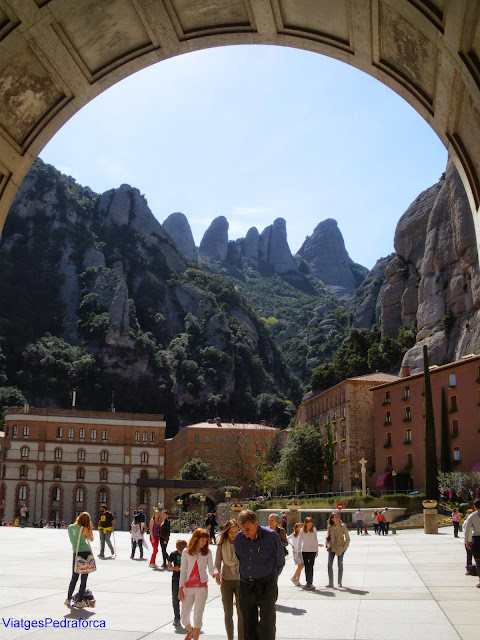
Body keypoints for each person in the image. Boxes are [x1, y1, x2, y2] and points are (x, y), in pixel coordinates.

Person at [234, 509, 285, 640]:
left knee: (267, 624)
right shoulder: (239, 538)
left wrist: (272, 578)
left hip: (267, 584)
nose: (245, 533)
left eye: (247, 529)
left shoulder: (271, 536)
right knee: (248, 624)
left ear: (255, 523)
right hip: (246, 585)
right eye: (242, 530)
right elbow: (240, 558)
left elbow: (280, 560)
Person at [178, 528, 215, 640]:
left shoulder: (207, 553)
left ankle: (196, 638)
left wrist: (216, 575)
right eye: (202, 540)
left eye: (206, 541)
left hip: (201, 588)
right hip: (188, 588)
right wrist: (180, 589)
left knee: (197, 616)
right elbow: (183, 571)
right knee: (184, 617)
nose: (204, 543)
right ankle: (190, 631)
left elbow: (211, 569)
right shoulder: (186, 552)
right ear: (196, 539)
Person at [215, 520, 244, 640]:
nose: (234, 535)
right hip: (226, 581)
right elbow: (217, 562)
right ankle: (230, 638)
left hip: (240, 580)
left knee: (241, 613)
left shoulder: (243, 543)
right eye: (231, 532)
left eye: (237, 532)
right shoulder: (222, 544)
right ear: (227, 533)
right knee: (228, 613)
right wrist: (216, 572)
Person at [66, 511, 94, 608]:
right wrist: (90, 529)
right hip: (85, 553)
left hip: (75, 552)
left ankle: (68, 598)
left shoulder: (69, 527)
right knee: (84, 577)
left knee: (74, 576)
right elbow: (91, 539)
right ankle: (79, 600)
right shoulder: (84, 528)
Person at [325, 511, 350, 588]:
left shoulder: (343, 526)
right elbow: (327, 537)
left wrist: (344, 548)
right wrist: (327, 545)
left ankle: (339, 582)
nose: (337, 518)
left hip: (340, 548)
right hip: (332, 547)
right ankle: (330, 583)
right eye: (335, 517)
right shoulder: (329, 526)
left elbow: (348, 538)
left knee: (340, 565)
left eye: (338, 517)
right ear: (332, 519)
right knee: (329, 565)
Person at [168, 538, 187, 626]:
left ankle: (185, 617)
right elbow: (169, 565)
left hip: (186, 578)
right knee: (175, 598)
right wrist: (174, 568)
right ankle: (177, 617)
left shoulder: (187, 554)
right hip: (176, 578)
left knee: (186, 599)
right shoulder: (173, 554)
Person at [297, 516, 319, 590]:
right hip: (305, 551)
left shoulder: (314, 530)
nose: (310, 526)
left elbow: (316, 540)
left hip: (312, 550)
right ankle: (307, 582)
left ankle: (310, 582)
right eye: (308, 524)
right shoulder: (302, 531)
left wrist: (316, 549)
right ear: (306, 524)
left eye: (311, 524)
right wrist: (299, 551)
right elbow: (299, 541)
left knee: (311, 566)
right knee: (306, 567)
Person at [464, 499, 480, 588]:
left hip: (476, 540)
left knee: (478, 561)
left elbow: (467, 529)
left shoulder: (472, 516)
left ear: (475, 507)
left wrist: (466, 541)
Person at [464, 508, 474, 574]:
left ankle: (469, 568)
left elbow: (465, 530)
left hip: (469, 540)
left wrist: (466, 541)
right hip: (474, 539)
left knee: (469, 555)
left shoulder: (467, 521)